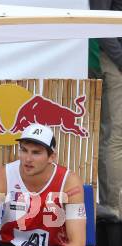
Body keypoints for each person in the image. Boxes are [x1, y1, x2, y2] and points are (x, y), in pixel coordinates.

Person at [89, 0, 122, 222]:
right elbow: (99, 19)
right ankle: (114, 208)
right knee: (115, 134)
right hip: (110, 60)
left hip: (113, 58)